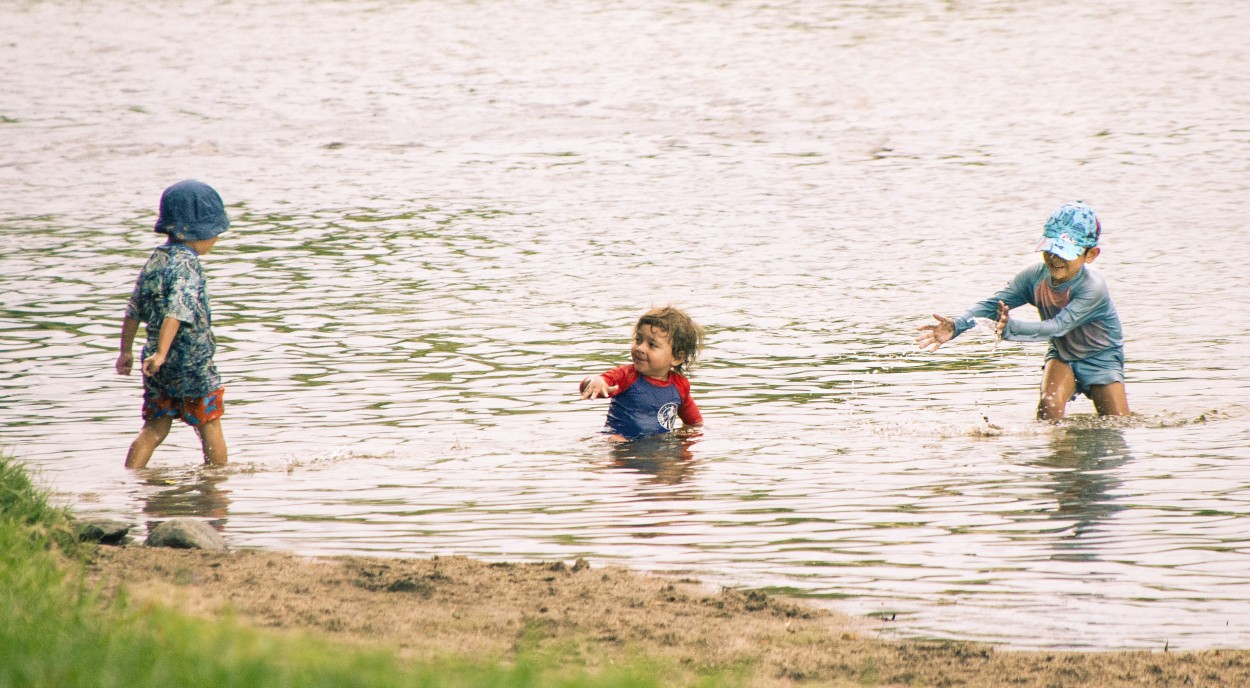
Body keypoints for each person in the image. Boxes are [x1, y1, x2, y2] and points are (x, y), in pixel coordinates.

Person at [916, 202, 1129, 421]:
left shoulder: (1092, 288)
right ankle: (1058, 450)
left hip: (1101, 359)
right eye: (1051, 250)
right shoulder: (1034, 277)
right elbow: (992, 305)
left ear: (1090, 255)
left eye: (1064, 253)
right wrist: (957, 325)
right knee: (1049, 405)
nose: (1055, 259)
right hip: (1063, 355)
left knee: (1117, 424)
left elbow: (1057, 327)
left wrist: (1011, 327)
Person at [116, 180, 230, 468]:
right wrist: (165, 353)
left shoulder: (155, 261)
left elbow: (133, 309)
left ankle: (131, 480)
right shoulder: (187, 265)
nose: (216, 238)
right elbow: (176, 311)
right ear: (199, 231)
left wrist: (126, 351)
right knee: (209, 423)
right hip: (189, 363)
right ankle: (216, 485)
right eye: (215, 232)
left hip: (155, 364)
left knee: (154, 429)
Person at [579, 306, 705, 440]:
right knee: (615, 439)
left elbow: (695, 423)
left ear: (677, 358)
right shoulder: (626, 375)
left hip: (657, 447)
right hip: (622, 443)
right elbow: (592, 387)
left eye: (652, 345)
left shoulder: (679, 385)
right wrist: (596, 382)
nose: (640, 348)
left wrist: (686, 436)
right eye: (638, 340)